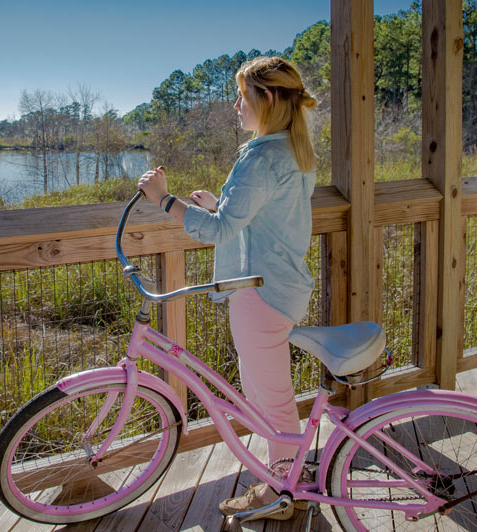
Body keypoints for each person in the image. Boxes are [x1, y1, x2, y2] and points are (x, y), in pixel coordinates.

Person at [137, 55, 317, 521]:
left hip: (260, 293)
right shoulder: (293, 150)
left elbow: (217, 232)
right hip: (282, 286)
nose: (236, 104)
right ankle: (287, 476)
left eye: (243, 95)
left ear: (268, 98)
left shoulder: (260, 155)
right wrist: (223, 205)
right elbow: (265, 217)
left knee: (270, 397)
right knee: (265, 391)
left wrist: (165, 201)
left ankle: (281, 489)